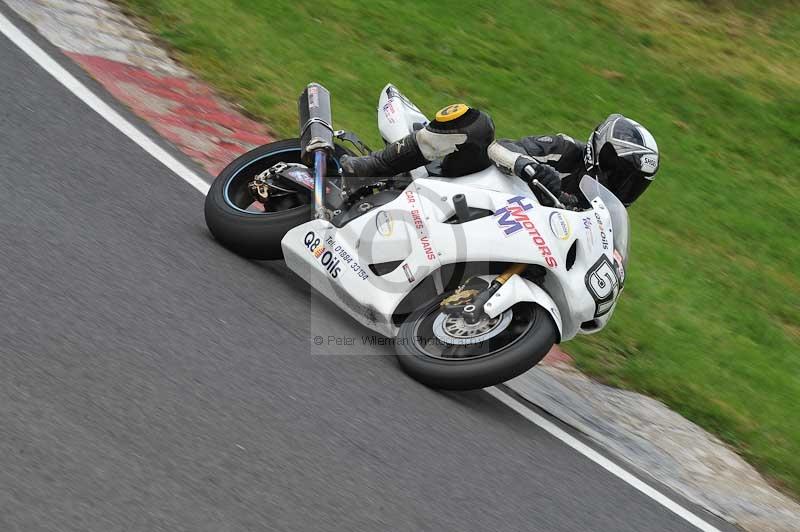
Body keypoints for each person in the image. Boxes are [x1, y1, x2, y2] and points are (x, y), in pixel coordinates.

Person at [340, 104, 659, 208]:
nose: (622, 187)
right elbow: (502, 148)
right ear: (598, 154)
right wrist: (530, 167)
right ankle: (370, 166)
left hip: (500, 228)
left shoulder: (601, 214)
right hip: (469, 184)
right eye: (620, 174)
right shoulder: (565, 151)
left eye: (633, 184)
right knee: (477, 125)